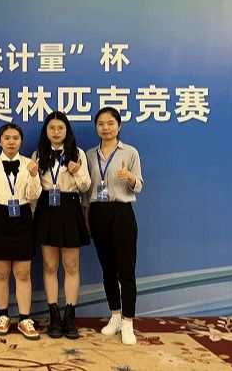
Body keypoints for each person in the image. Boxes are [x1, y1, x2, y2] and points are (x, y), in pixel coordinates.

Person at [85, 106, 144, 345]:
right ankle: (115, 316)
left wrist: (130, 177)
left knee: (126, 270)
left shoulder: (130, 152)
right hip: (98, 212)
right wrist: (87, 218)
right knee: (107, 269)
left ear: (119, 126)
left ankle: (128, 322)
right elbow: (87, 191)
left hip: (122, 212)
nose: (106, 128)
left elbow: (139, 184)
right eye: (101, 124)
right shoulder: (89, 155)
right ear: (96, 127)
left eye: (110, 123)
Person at [0, 123, 42, 340]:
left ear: (21, 141)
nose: (11, 142)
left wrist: (34, 175)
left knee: (23, 273)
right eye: (7, 138)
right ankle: (3, 316)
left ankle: (25, 319)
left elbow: (33, 196)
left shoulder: (29, 164)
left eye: (15, 138)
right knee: (0, 272)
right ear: (0, 141)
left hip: (23, 217)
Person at [32, 111, 91, 339]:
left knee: (71, 265)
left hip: (69, 206)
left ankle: (70, 315)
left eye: (60, 128)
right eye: (52, 128)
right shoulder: (38, 154)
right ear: (46, 131)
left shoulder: (78, 154)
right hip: (46, 207)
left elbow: (85, 186)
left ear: (67, 130)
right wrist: (33, 174)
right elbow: (34, 190)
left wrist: (77, 172)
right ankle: (54, 315)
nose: (56, 132)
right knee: (49, 265)